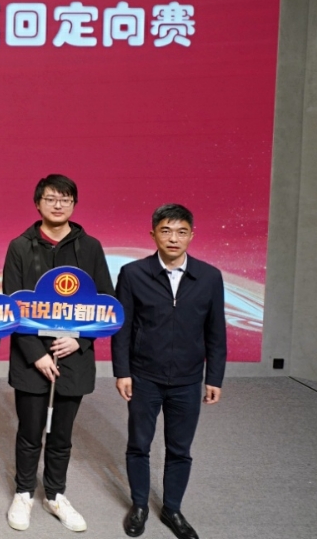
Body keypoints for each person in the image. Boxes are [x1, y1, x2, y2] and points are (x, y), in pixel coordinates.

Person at [2, 175, 113, 533]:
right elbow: (12, 305)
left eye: (65, 199)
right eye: (51, 198)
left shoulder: (90, 247)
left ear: (74, 205)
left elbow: (107, 304)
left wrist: (80, 339)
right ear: (38, 203)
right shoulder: (20, 247)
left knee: (62, 434)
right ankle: (23, 492)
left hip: (73, 357)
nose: (58, 205)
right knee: (30, 431)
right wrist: (36, 354)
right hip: (31, 357)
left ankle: (55, 494)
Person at [112, 204, 226, 539]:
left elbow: (216, 332)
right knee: (139, 444)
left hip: (188, 380)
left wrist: (214, 377)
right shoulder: (133, 274)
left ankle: (172, 509)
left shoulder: (209, 277)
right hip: (143, 377)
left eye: (181, 231)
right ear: (153, 234)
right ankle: (139, 505)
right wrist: (122, 372)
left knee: (180, 449)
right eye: (166, 231)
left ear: (192, 235)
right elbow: (122, 328)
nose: (173, 238)